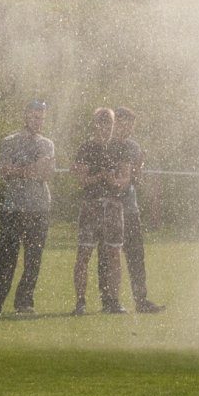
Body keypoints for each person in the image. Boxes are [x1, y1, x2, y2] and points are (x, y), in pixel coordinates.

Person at [0, 100, 57, 315]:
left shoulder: (47, 144)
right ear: (25, 116)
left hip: (39, 207)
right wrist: (32, 169)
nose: (38, 121)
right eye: (34, 117)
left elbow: (47, 174)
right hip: (13, 207)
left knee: (33, 257)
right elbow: (6, 171)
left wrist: (21, 169)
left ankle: (24, 302)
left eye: (41, 118)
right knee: (6, 256)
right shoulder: (9, 142)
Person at [71, 107, 133, 315]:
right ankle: (80, 301)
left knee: (114, 254)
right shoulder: (86, 147)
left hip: (114, 207)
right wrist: (100, 178)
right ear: (95, 123)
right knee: (84, 254)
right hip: (91, 205)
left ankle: (113, 301)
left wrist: (115, 181)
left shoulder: (121, 148)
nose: (106, 127)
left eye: (110, 123)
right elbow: (81, 180)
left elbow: (126, 179)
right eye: (102, 122)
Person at [110, 108, 165, 312]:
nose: (129, 129)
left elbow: (136, 181)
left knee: (136, 254)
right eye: (126, 124)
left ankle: (141, 300)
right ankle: (110, 301)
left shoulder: (134, 147)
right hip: (110, 208)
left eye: (132, 126)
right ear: (117, 123)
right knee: (110, 255)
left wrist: (138, 169)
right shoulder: (107, 145)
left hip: (130, 208)